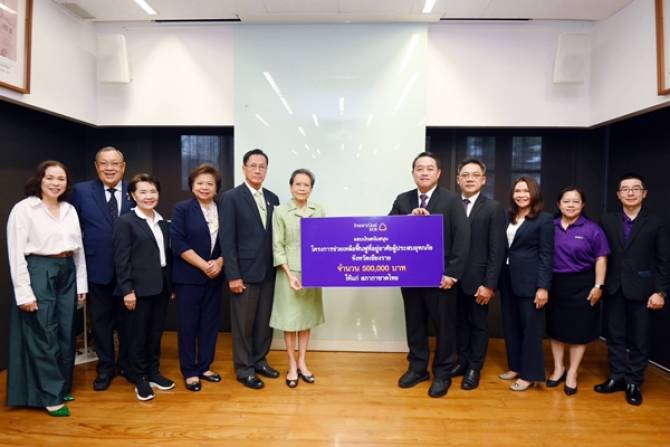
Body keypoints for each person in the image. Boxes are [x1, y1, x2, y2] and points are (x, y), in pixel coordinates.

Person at [6, 161, 87, 417]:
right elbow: (15, 253)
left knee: (66, 331)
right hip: (39, 270)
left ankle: (61, 387)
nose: (55, 183)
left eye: (61, 179)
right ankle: (50, 397)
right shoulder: (24, 209)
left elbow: (79, 249)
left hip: (67, 270)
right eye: (50, 177)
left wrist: (81, 283)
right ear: (39, 179)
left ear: (67, 183)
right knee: (44, 333)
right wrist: (24, 292)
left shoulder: (69, 209)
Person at [389, 152, 470, 398]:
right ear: (413, 172)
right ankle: (417, 368)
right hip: (410, 276)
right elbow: (388, 231)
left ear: (438, 173)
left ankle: (443, 373)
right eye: (419, 168)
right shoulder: (403, 200)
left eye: (429, 168)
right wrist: (407, 220)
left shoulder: (452, 200)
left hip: (441, 278)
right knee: (414, 324)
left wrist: (452, 274)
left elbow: (462, 239)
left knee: (444, 327)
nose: (424, 172)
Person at [595, 173, 670, 406]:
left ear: (644, 194)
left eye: (635, 189)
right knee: (614, 336)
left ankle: (634, 382)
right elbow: (600, 254)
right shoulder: (607, 220)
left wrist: (661, 291)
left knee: (640, 338)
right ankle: (617, 377)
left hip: (644, 290)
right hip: (614, 287)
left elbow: (664, 260)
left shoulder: (655, 222)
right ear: (618, 195)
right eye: (625, 189)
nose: (630, 193)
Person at [71, 146, 133, 391]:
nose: (109, 168)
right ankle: (106, 367)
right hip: (97, 268)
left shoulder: (135, 189)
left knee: (129, 321)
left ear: (123, 167)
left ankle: (126, 364)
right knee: (101, 322)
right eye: (104, 163)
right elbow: (71, 225)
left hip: (130, 270)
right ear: (96, 166)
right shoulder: (81, 191)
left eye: (114, 163)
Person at [220, 149, 280, 390]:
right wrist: (233, 275)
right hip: (243, 274)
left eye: (262, 166)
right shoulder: (231, 197)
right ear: (244, 168)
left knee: (264, 323)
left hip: (268, 272)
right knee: (243, 325)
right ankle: (244, 369)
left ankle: (259, 361)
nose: (257, 170)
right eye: (253, 165)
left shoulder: (273, 198)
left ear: (266, 170)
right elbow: (227, 240)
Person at [113, 173, 175, 401]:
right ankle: (139, 377)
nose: (149, 196)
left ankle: (153, 372)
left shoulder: (162, 221)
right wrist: (127, 290)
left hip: (160, 287)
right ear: (132, 195)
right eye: (143, 192)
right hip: (137, 290)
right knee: (137, 335)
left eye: (153, 191)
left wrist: (170, 285)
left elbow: (167, 256)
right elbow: (121, 259)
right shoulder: (125, 222)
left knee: (155, 333)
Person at [546, 188, 609, 396]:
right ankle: (558, 368)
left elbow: (601, 258)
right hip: (555, 284)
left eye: (575, 201)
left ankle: (572, 373)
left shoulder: (593, 229)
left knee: (578, 332)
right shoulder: (550, 226)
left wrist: (598, 286)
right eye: (566, 201)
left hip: (583, 285)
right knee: (556, 329)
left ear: (582, 205)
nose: (571, 205)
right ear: (559, 204)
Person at [451, 158, 506, 390]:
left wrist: (489, 284)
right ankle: (462, 361)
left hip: (479, 281)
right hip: (452, 279)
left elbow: (497, 250)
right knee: (459, 323)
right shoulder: (451, 205)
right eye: (465, 175)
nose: (470, 179)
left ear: (483, 180)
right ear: (458, 180)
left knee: (478, 325)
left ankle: (475, 367)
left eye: (475, 175)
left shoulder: (493, 208)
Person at [171, 164, 224, 392]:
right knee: (188, 325)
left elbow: (230, 240)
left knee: (209, 325)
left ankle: (204, 366)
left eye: (209, 184)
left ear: (216, 188)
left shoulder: (223, 208)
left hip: (215, 276)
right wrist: (204, 265)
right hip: (189, 277)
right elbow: (178, 242)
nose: (205, 187)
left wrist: (220, 261)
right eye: (200, 183)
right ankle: (190, 371)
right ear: (192, 186)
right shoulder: (182, 209)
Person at [270, 169, 325, 388]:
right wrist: (290, 274)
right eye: (298, 184)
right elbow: (277, 246)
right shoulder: (280, 211)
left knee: (305, 319)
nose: (302, 188)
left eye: (306, 185)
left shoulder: (318, 210)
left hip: (313, 272)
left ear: (311, 188)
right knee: (289, 321)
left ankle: (302, 361)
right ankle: (291, 364)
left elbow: (325, 242)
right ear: (291, 186)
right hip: (289, 273)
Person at [499, 176, 553, 391]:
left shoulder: (544, 219)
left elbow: (547, 255)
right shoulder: (507, 217)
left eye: (526, 191)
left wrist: (543, 287)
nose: (521, 195)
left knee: (531, 330)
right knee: (510, 325)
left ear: (534, 194)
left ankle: (530, 374)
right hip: (507, 278)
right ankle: (515, 366)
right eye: (517, 191)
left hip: (531, 282)